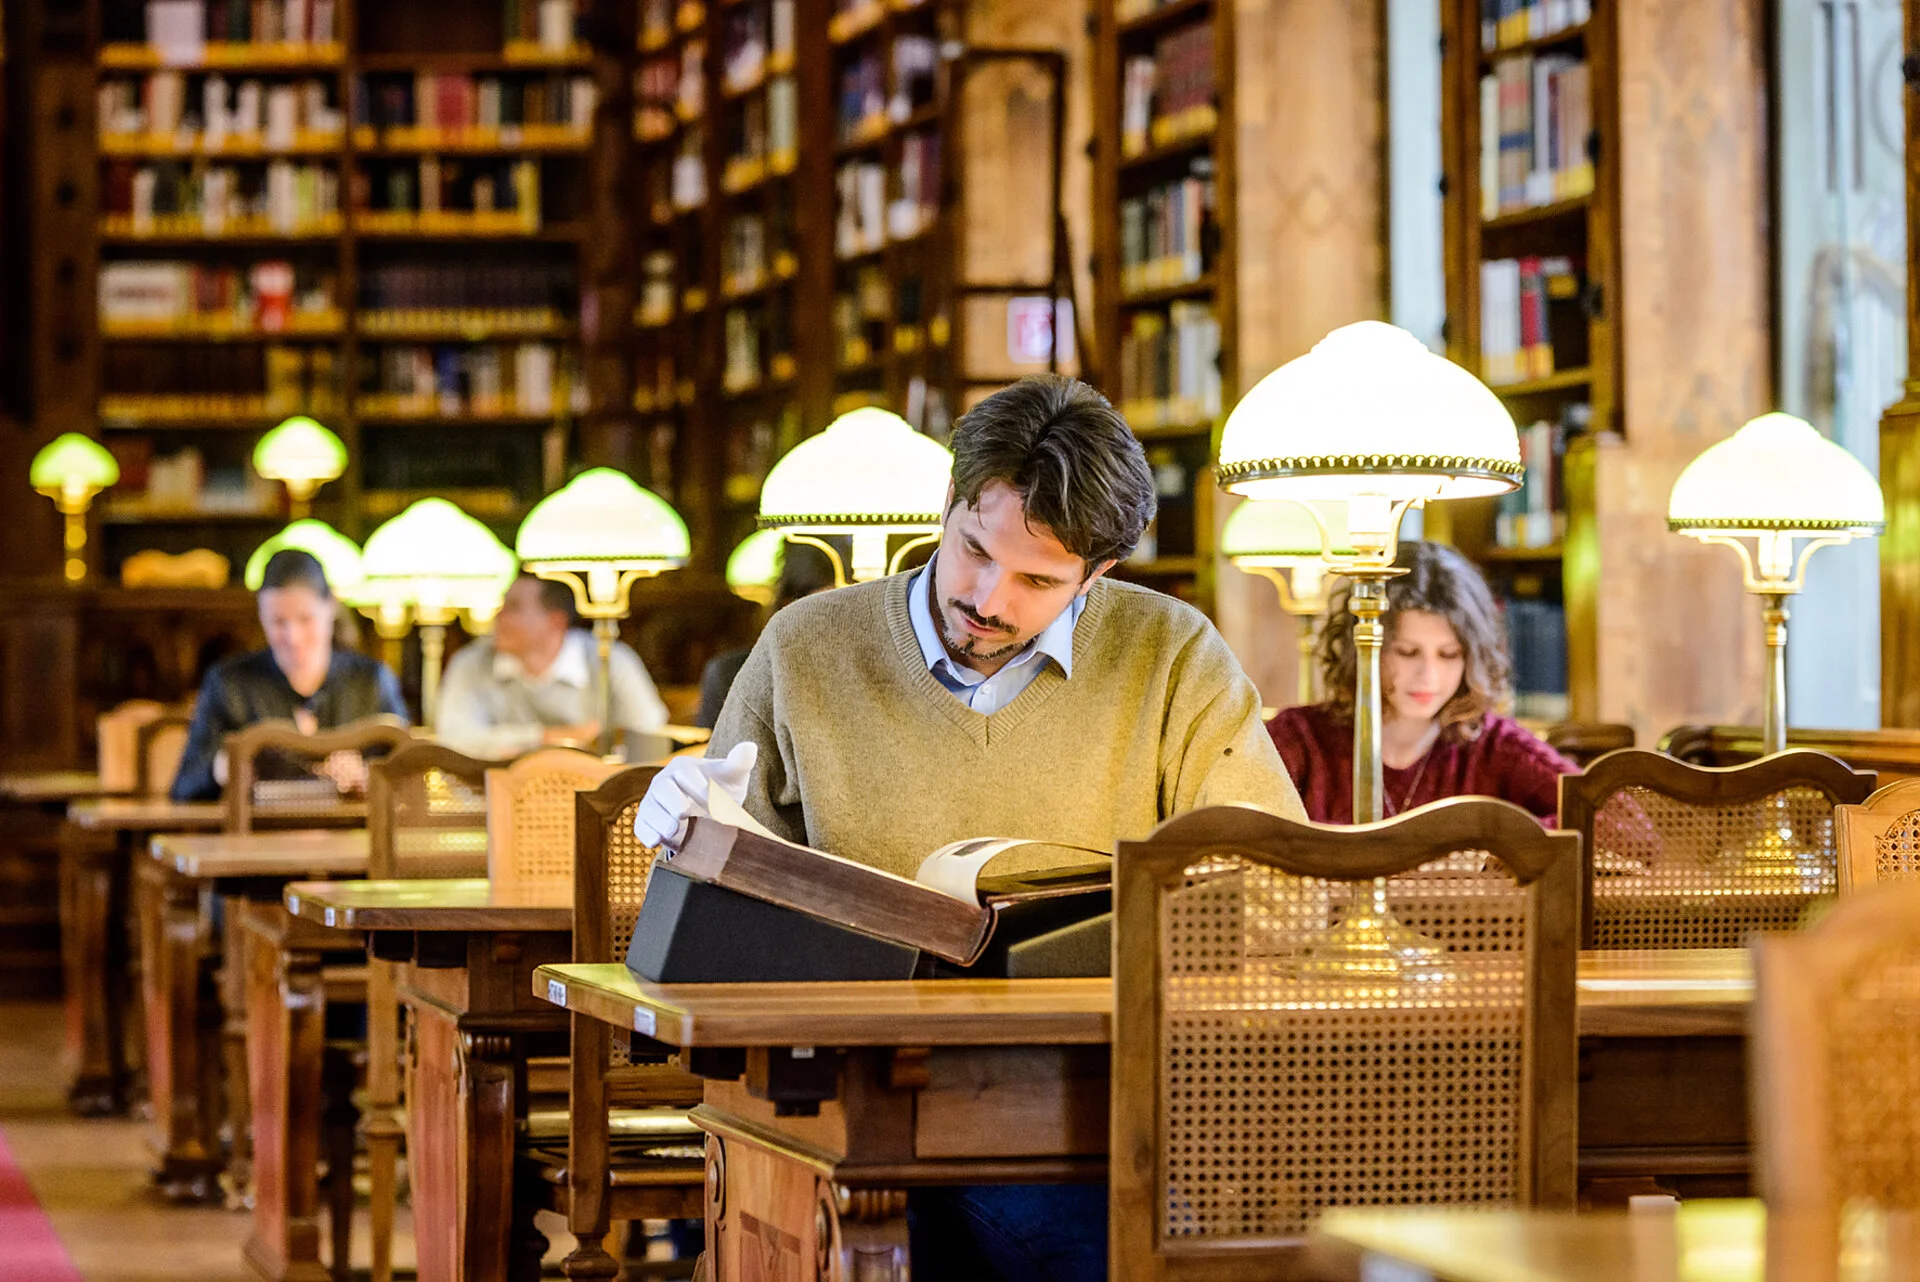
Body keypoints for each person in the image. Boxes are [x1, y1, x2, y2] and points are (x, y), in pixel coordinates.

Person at [635, 373, 1305, 1282]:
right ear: (946, 506)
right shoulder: (806, 646)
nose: (991, 597)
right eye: (974, 550)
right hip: (856, 1098)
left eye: (1039, 579)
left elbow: (1272, 883)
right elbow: (709, 924)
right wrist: (688, 834)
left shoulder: (1172, 651)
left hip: (1101, 1100)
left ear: (1097, 575)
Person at [1267, 539, 1577, 824]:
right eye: (1407, 652)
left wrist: (1504, 841)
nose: (1428, 675)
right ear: (1363, 645)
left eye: (1449, 655)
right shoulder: (1300, 738)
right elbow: (1229, 823)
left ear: (1472, 659)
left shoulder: (1495, 746)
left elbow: (1615, 821)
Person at [171, 549, 408, 801]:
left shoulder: (371, 681)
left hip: (354, 835)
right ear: (261, 616)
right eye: (277, 621)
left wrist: (365, 774)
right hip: (258, 836)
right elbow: (184, 788)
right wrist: (224, 767)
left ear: (331, 607)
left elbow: (410, 776)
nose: (292, 637)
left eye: (305, 619)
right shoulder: (229, 681)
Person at [434, 571, 669, 758]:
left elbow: (650, 738)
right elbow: (454, 741)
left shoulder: (611, 660)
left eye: (514, 607)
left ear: (555, 621)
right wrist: (550, 738)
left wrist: (509, 748)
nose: (498, 616)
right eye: (501, 605)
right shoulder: (470, 664)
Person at [693, 538, 840, 729]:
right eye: (822, 606)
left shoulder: (855, 675)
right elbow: (709, 751)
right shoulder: (729, 673)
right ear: (787, 604)